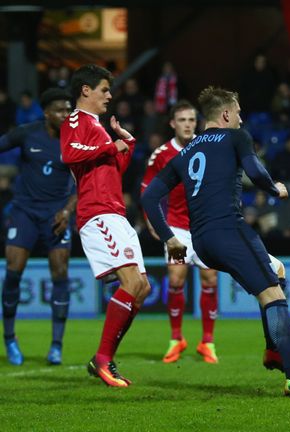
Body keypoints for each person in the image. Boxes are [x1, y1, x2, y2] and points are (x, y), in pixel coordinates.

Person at [141, 86, 290, 398]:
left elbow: (148, 197)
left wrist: (169, 238)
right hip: (229, 231)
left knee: (275, 270)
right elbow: (254, 170)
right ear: (225, 114)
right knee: (274, 296)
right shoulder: (237, 136)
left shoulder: (185, 152)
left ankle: (274, 351)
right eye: (238, 112)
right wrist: (274, 189)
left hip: (201, 241)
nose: (241, 118)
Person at [61, 64, 151, 387]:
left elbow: (112, 169)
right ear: (86, 90)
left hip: (116, 212)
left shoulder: (98, 127)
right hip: (96, 213)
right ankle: (102, 358)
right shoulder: (76, 120)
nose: (110, 95)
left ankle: (104, 357)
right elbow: (69, 154)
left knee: (142, 287)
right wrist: (111, 146)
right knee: (130, 283)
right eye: (104, 89)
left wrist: (127, 143)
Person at [141, 101, 221, 364]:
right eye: (182, 120)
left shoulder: (209, 146)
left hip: (205, 225)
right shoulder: (162, 154)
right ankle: (177, 338)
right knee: (176, 279)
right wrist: (150, 220)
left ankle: (207, 343)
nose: (187, 124)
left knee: (210, 279)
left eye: (191, 120)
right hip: (176, 226)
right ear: (172, 123)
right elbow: (146, 188)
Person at [1, 88, 75, 366]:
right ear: (46, 113)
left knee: (60, 273)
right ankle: (10, 339)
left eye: (69, 110)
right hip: (25, 213)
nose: (66, 115)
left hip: (56, 215)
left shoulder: (75, 140)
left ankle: (56, 345)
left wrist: (67, 211)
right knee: (12, 273)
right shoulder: (27, 133)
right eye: (60, 110)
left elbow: (83, 183)